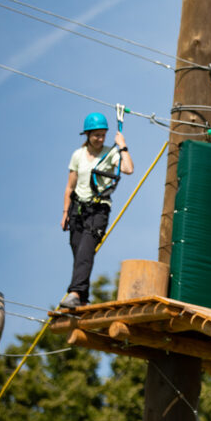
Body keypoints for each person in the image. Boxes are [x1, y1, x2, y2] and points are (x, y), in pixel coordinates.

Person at [59, 112, 134, 309]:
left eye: (103, 135)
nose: (100, 139)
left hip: (98, 210)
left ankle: (74, 293)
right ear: (87, 135)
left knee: (85, 251)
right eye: (96, 135)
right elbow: (70, 186)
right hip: (77, 209)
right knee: (78, 253)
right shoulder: (78, 155)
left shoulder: (111, 154)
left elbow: (128, 169)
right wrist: (65, 212)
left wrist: (122, 145)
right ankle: (82, 298)